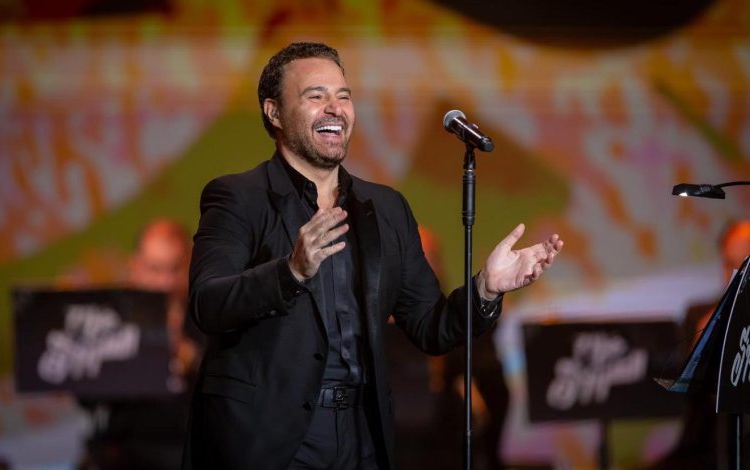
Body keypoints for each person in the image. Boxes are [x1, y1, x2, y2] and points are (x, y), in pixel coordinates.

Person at [183, 42, 564, 470]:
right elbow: (208, 303)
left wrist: (485, 290)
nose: (335, 108)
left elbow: (431, 327)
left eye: (343, 96)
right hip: (269, 438)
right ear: (274, 112)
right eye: (316, 96)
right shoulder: (238, 197)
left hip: (361, 433)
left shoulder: (385, 208)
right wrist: (290, 272)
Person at [80, 218, 202, 470]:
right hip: (129, 455)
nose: (166, 282)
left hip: (197, 450)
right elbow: (87, 399)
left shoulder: (210, 317)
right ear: (135, 268)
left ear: (191, 265)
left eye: (175, 269)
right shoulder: (111, 322)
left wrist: (191, 357)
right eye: (155, 270)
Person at [649, 219, 750, 470]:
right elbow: (691, 398)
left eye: (744, 263)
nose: (735, 274)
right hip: (708, 448)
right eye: (729, 264)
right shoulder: (700, 315)